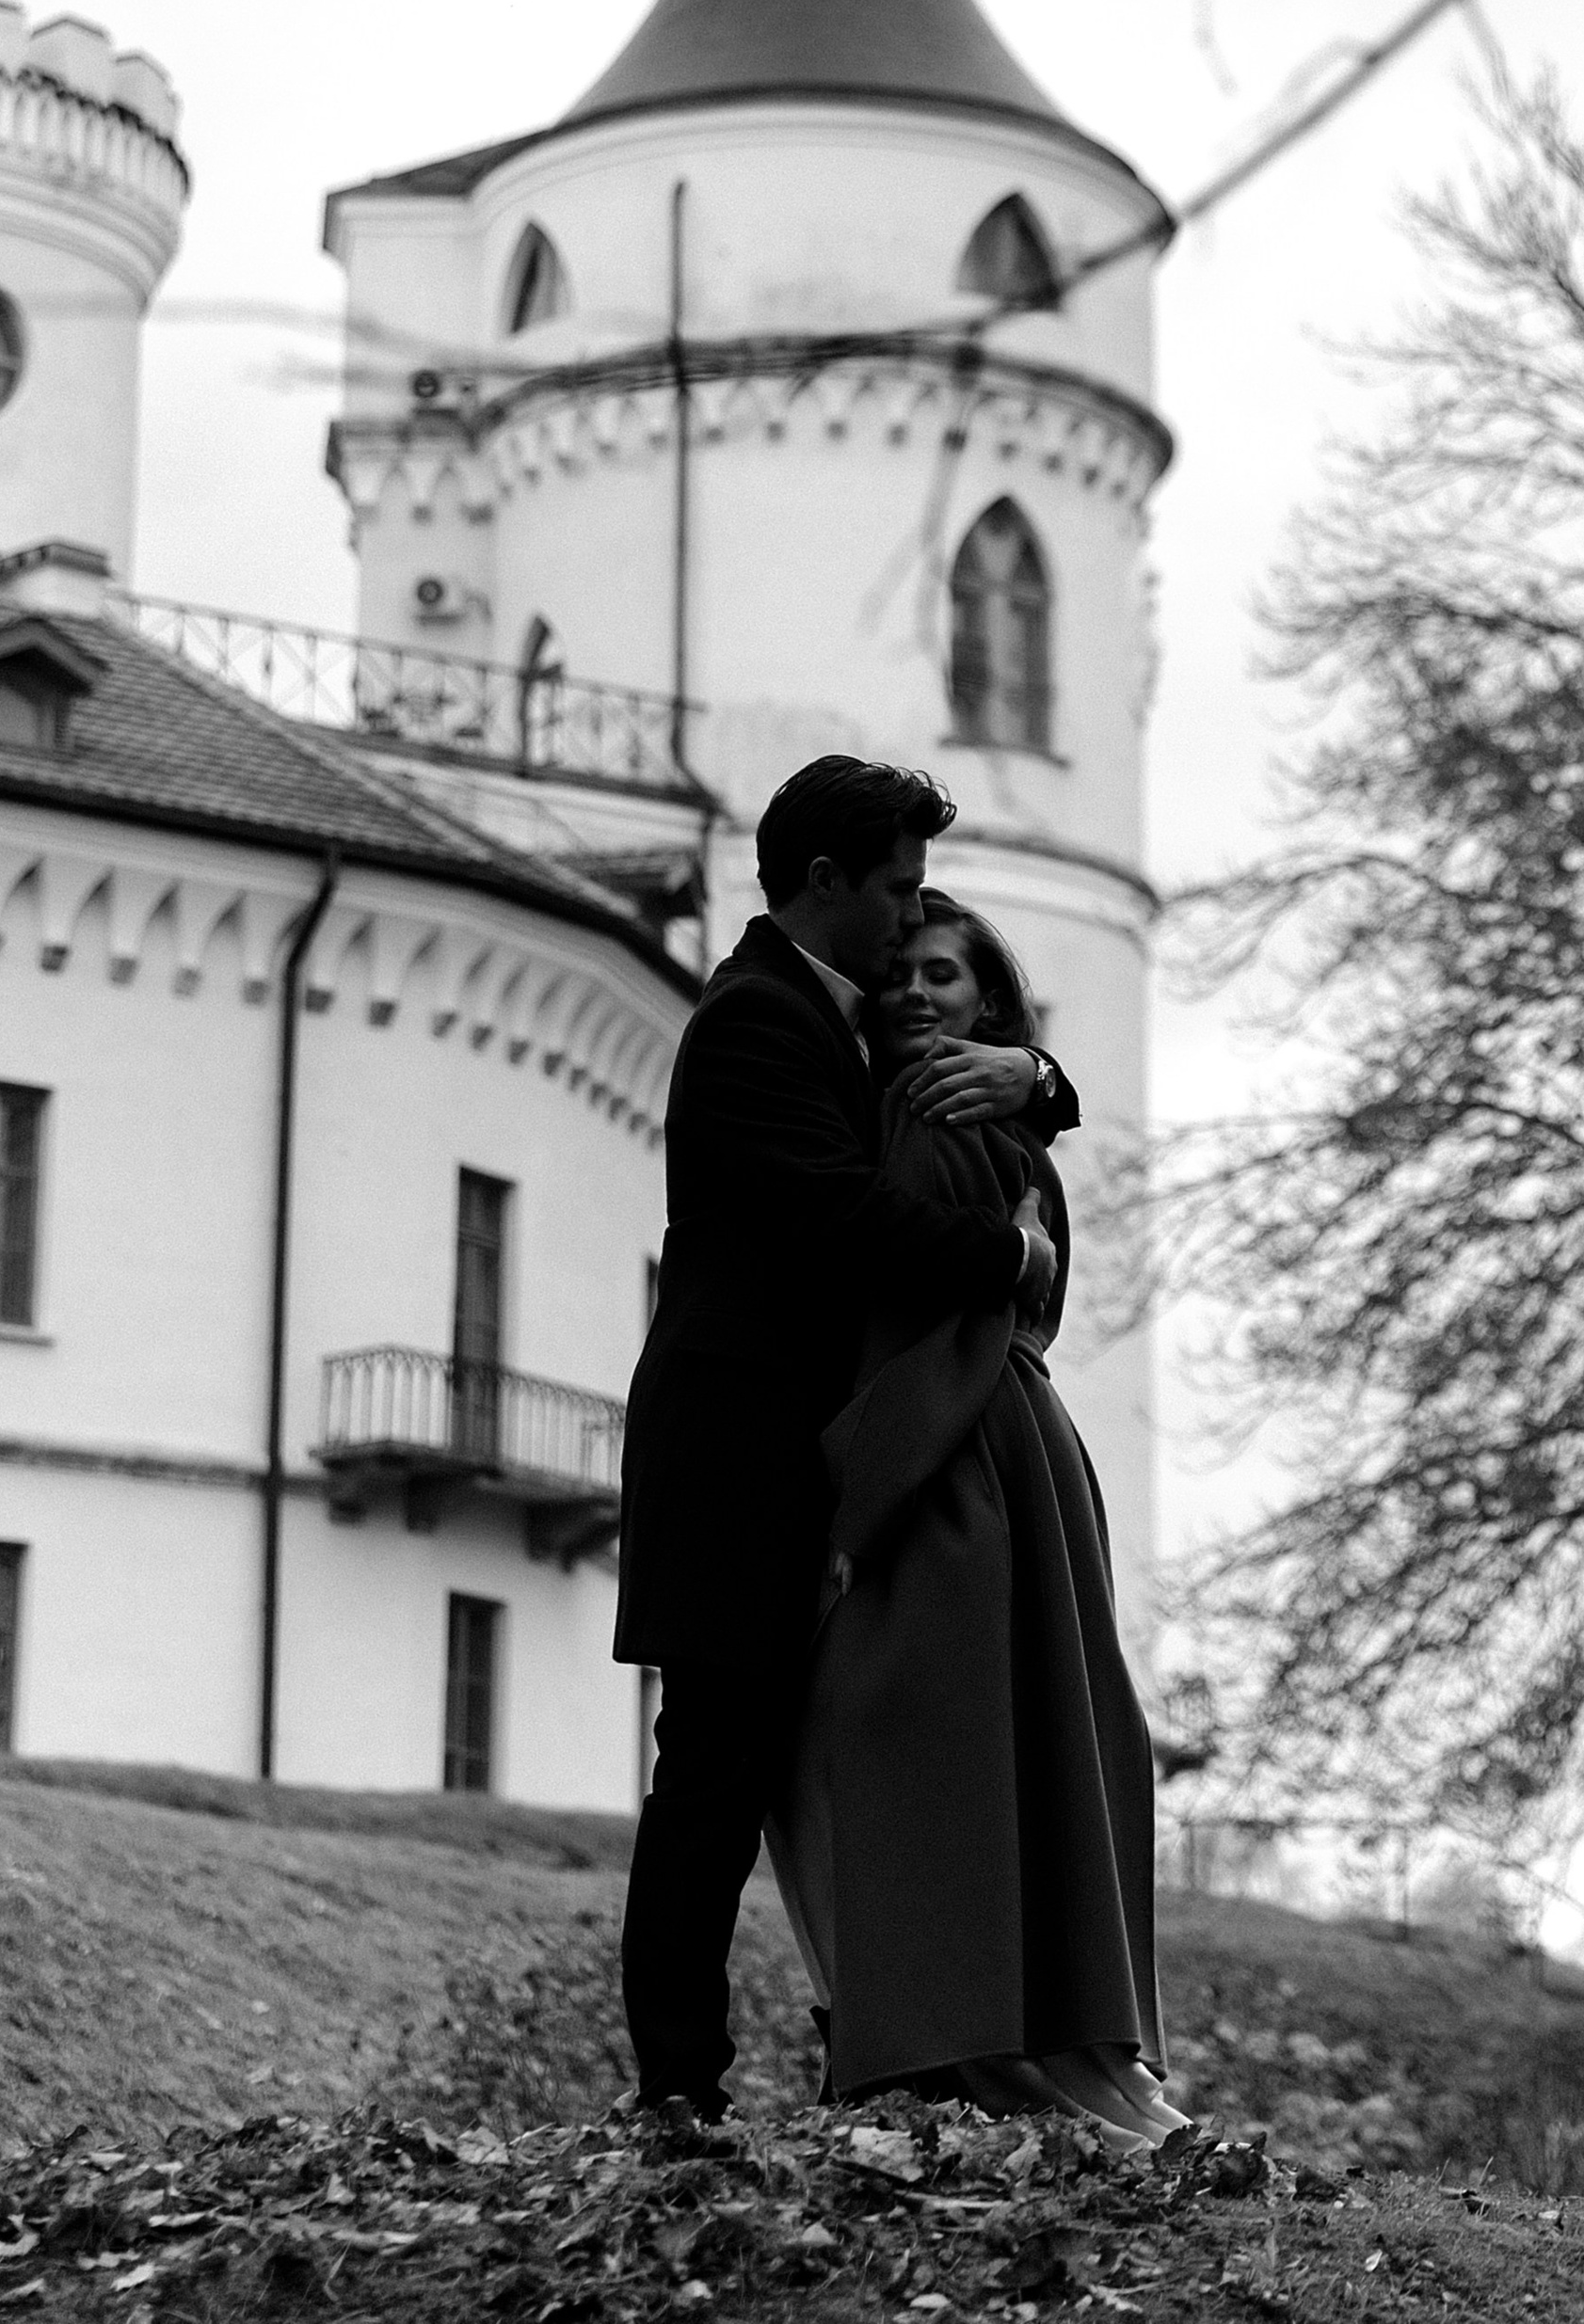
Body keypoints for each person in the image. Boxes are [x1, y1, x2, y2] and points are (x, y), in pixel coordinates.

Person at [614, 758, 1064, 2115]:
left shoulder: (836, 1015)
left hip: (799, 1462)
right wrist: (1012, 1247)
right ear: (825, 886)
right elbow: (840, 1218)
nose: (910, 919)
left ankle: (860, 2055)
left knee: (797, 1769)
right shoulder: (756, 1021)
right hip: (734, 1465)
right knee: (714, 1779)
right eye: (898, 891)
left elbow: (973, 1030)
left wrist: (1035, 1073)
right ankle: (679, 2090)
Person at [767, 888, 1184, 2149]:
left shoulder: (931, 1120)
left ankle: (975, 2049)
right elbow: (1019, 1292)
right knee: (1025, 1744)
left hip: (957, 1457)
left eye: (944, 973)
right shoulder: (996, 1123)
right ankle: (1060, 2050)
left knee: (924, 1749)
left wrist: (850, 1515)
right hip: (1014, 1451)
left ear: (988, 1000)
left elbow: (932, 1333)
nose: (914, 990)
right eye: (901, 970)